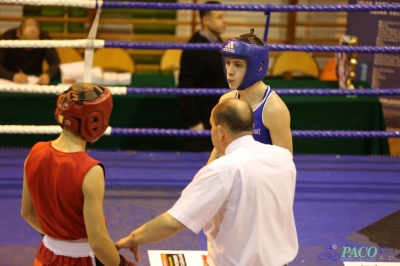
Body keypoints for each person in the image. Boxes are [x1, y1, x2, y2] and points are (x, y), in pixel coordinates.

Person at [115, 98, 298, 266]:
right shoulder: (283, 157)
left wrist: (133, 238)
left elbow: (173, 221)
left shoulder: (222, 170)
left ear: (220, 131)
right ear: (251, 125)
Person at [21, 83, 135, 265]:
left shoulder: (34, 153)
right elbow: (98, 242)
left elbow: (27, 213)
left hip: (45, 254)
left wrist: (58, 236)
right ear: (95, 120)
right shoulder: (90, 170)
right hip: (82, 259)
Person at [208, 29, 293, 163]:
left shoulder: (274, 109)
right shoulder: (226, 101)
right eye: (227, 62)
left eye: (238, 65)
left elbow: (284, 165)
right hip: (234, 179)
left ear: (258, 67)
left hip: (261, 182)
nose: (229, 71)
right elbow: (218, 150)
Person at [178, 1, 228, 152]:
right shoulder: (195, 47)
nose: (225, 20)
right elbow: (185, 86)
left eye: (225, 16)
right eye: (219, 17)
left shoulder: (220, 44)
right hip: (202, 122)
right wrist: (193, 122)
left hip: (218, 118)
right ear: (205, 20)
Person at [0, 18, 60, 85]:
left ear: (39, 36)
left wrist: (48, 74)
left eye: (33, 42)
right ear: (18, 33)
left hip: (35, 82)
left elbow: (56, 63)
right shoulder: (7, 38)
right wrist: (12, 76)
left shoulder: (44, 38)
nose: (29, 46)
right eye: (25, 40)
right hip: (8, 83)